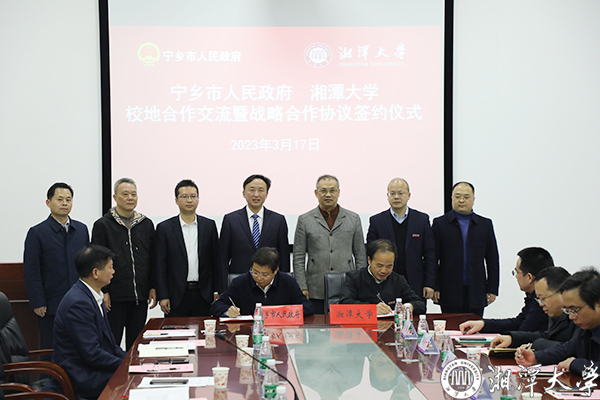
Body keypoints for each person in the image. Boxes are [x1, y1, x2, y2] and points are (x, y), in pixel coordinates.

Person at [44, 244, 126, 399]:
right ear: (95, 273)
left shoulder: (93, 296)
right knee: (130, 381)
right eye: (110, 267)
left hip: (91, 367)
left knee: (134, 376)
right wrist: (125, 366)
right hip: (80, 375)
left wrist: (131, 360)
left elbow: (110, 345)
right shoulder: (78, 303)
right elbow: (92, 354)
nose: (113, 271)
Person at [23, 182, 89, 354]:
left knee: (80, 349)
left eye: (68, 199)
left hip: (79, 303)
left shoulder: (81, 230)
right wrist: (38, 302)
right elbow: (32, 271)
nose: (64, 203)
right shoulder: (37, 233)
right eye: (59, 199)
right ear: (48, 202)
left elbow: (87, 266)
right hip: (51, 304)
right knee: (50, 351)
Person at [91, 177, 156, 350]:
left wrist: (152, 286)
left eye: (133, 194)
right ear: (115, 197)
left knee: (137, 346)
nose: (130, 198)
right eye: (125, 194)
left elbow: (152, 258)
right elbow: (97, 260)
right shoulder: (103, 225)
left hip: (140, 296)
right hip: (114, 297)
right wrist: (103, 291)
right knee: (111, 345)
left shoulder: (146, 224)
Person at [293, 175, 367, 314]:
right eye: (323, 191)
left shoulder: (353, 218)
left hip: (347, 285)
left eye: (332, 190)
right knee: (316, 325)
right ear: (316, 193)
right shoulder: (305, 220)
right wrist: (302, 286)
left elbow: (360, 255)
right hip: (316, 287)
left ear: (338, 192)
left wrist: (361, 284)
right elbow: (298, 257)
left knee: (345, 326)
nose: (328, 194)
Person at [516, 268, 600, 376]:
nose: (571, 317)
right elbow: (565, 350)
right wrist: (536, 357)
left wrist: (575, 364)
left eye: (575, 310)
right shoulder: (587, 330)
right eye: (568, 311)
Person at [432, 181, 499, 317]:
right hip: (448, 289)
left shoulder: (485, 224)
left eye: (466, 197)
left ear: (473, 199)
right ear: (452, 198)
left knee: (474, 327)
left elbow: (492, 258)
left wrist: (492, 288)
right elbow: (433, 258)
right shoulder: (440, 224)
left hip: (476, 290)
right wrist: (435, 286)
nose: (461, 200)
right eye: (457, 197)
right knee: (451, 327)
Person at [154, 179, 219, 317]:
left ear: (198, 199)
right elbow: (160, 265)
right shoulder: (164, 228)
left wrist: (216, 290)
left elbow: (215, 261)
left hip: (204, 294)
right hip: (175, 295)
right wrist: (163, 295)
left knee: (204, 330)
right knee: (176, 331)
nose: (189, 200)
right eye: (184, 196)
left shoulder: (209, 225)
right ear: (176, 200)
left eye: (193, 196)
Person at [366, 178, 436, 303]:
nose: (396, 197)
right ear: (387, 196)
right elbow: (370, 253)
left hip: (415, 282)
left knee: (415, 312)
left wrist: (429, 283)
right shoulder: (377, 221)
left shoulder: (421, 220)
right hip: (385, 281)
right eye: (392, 193)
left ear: (408, 195)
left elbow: (430, 254)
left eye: (400, 193)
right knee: (386, 314)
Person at [219, 174, 289, 291]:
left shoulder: (278, 220)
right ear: (244, 193)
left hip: (270, 283)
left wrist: (284, 286)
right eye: (252, 190)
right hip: (238, 281)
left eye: (261, 190)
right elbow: (223, 258)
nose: (256, 194)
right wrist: (221, 288)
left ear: (266, 194)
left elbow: (284, 257)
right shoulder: (230, 220)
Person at [460, 247, 554, 334]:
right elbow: (518, 322)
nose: (516, 276)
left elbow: (523, 331)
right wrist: (483, 324)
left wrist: (508, 338)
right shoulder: (533, 296)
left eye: (516, 272)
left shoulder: (543, 302)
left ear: (529, 277)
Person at [491, 266, 576, 351]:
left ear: (562, 293)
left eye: (543, 298)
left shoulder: (578, 316)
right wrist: (512, 339)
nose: (541, 304)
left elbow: (571, 348)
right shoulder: (556, 314)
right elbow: (547, 336)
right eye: (539, 299)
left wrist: (535, 346)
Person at [211, 247, 313, 317]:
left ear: (276, 271)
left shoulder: (288, 282)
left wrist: (284, 313)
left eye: (265, 274)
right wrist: (228, 311)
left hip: (280, 334)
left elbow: (307, 307)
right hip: (249, 333)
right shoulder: (240, 282)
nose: (259, 278)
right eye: (255, 272)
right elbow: (217, 306)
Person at [340, 239, 426, 316]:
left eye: (389, 266)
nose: (384, 271)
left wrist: (408, 306)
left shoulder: (398, 280)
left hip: (390, 326)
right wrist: (371, 309)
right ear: (369, 260)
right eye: (379, 265)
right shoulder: (354, 278)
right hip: (363, 326)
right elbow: (344, 304)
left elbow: (420, 304)